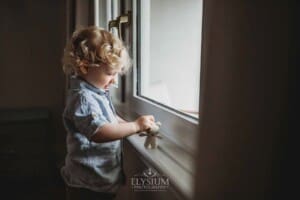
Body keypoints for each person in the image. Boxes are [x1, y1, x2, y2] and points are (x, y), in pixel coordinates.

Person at [60, 26, 155, 200]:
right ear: (84, 67)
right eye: (111, 73)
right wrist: (134, 126)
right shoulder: (83, 99)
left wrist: (131, 125)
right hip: (87, 184)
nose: (114, 80)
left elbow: (110, 119)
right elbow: (99, 131)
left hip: (100, 180)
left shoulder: (97, 91)